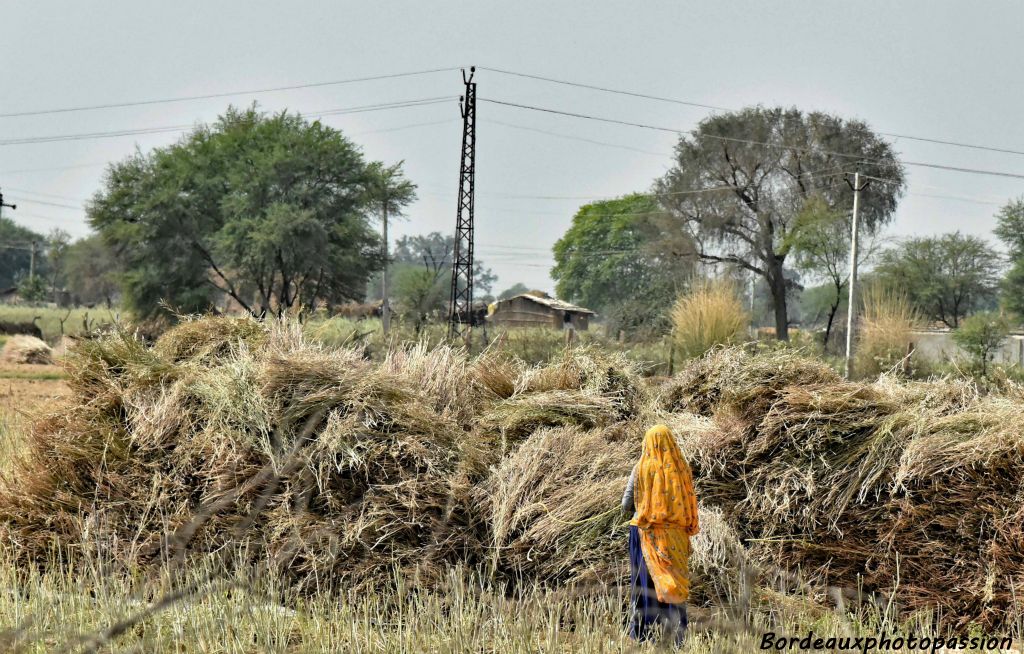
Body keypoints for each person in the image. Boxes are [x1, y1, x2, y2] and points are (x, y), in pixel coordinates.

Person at [621, 424, 699, 644]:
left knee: (644, 582)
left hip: (647, 535)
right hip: (676, 536)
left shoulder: (642, 467)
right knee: (673, 582)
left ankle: (643, 633)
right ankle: (677, 636)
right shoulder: (682, 468)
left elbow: (626, 504)